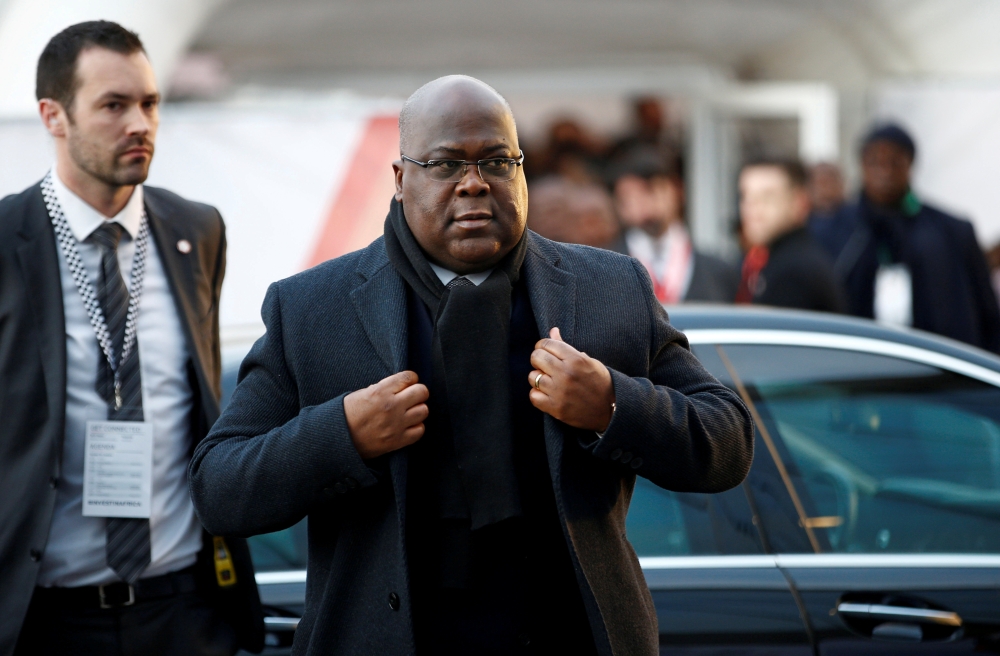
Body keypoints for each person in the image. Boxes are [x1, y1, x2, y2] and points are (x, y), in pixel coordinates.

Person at [189, 75, 754, 656]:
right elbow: (220, 488)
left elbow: (729, 442)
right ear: (401, 178)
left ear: (523, 171)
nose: (474, 184)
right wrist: (344, 435)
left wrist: (612, 404)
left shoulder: (609, 287)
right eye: (445, 165)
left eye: (497, 161)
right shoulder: (313, 308)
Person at [0, 22, 263, 656]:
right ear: (53, 116)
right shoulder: (7, 239)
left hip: (186, 608)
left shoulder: (196, 229)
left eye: (149, 103)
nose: (140, 123)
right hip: (46, 619)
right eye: (114, 105)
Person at [837, 123, 1000, 352]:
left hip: (938, 365)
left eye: (895, 162)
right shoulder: (838, 229)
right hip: (858, 365)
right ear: (862, 165)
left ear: (910, 164)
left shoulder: (950, 231)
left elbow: (986, 312)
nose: (885, 172)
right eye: (875, 162)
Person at [608, 146, 738, 303]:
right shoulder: (603, 273)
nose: (641, 205)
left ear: (677, 189)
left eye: (650, 190)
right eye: (629, 197)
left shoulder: (720, 272)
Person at [736, 159, 846, 313]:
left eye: (767, 197)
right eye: (746, 196)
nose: (752, 209)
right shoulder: (769, 258)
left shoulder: (794, 273)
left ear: (799, 202)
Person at [806, 162, 857, 261]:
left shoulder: (859, 222)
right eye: (820, 183)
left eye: (830, 181)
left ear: (842, 185)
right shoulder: (798, 223)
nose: (825, 189)